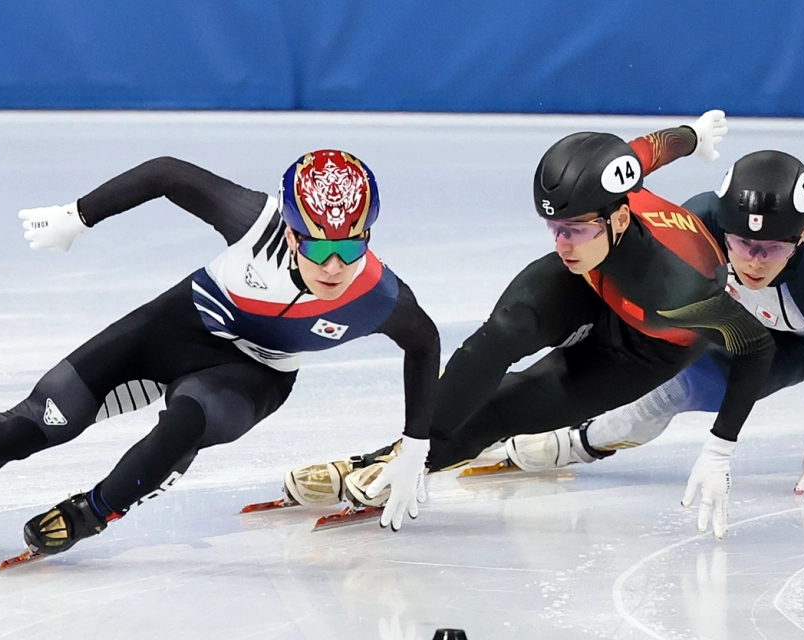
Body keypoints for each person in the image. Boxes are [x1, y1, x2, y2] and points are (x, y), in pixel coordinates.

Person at [0, 149, 441, 557]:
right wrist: (80, 215)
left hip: (250, 374)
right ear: (288, 228)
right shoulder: (252, 221)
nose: (335, 266)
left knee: (186, 424)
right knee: (42, 417)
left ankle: (95, 509)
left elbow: (425, 342)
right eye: (318, 246)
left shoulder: (379, 296)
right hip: (176, 325)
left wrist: (416, 446)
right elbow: (167, 174)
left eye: (351, 245)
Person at [282, 112, 777, 538]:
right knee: (500, 336)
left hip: (643, 346)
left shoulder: (679, 292)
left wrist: (720, 450)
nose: (562, 243)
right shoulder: (605, 186)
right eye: (554, 228)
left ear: (621, 218)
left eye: (575, 229)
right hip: (594, 279)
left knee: (505, 408)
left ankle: (396, 465)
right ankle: (400, 457)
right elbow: (649, 149)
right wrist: (693, 134)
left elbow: (756, 347)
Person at [504, 151, 804, 510]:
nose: (754, 262)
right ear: (722, 228)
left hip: (794, 345)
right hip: (723, 311)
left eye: (771, 249)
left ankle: (573, 444)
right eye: (742, 243)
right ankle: (512, 401)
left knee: (671, 392)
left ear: (801, 238)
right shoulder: (699, 222)